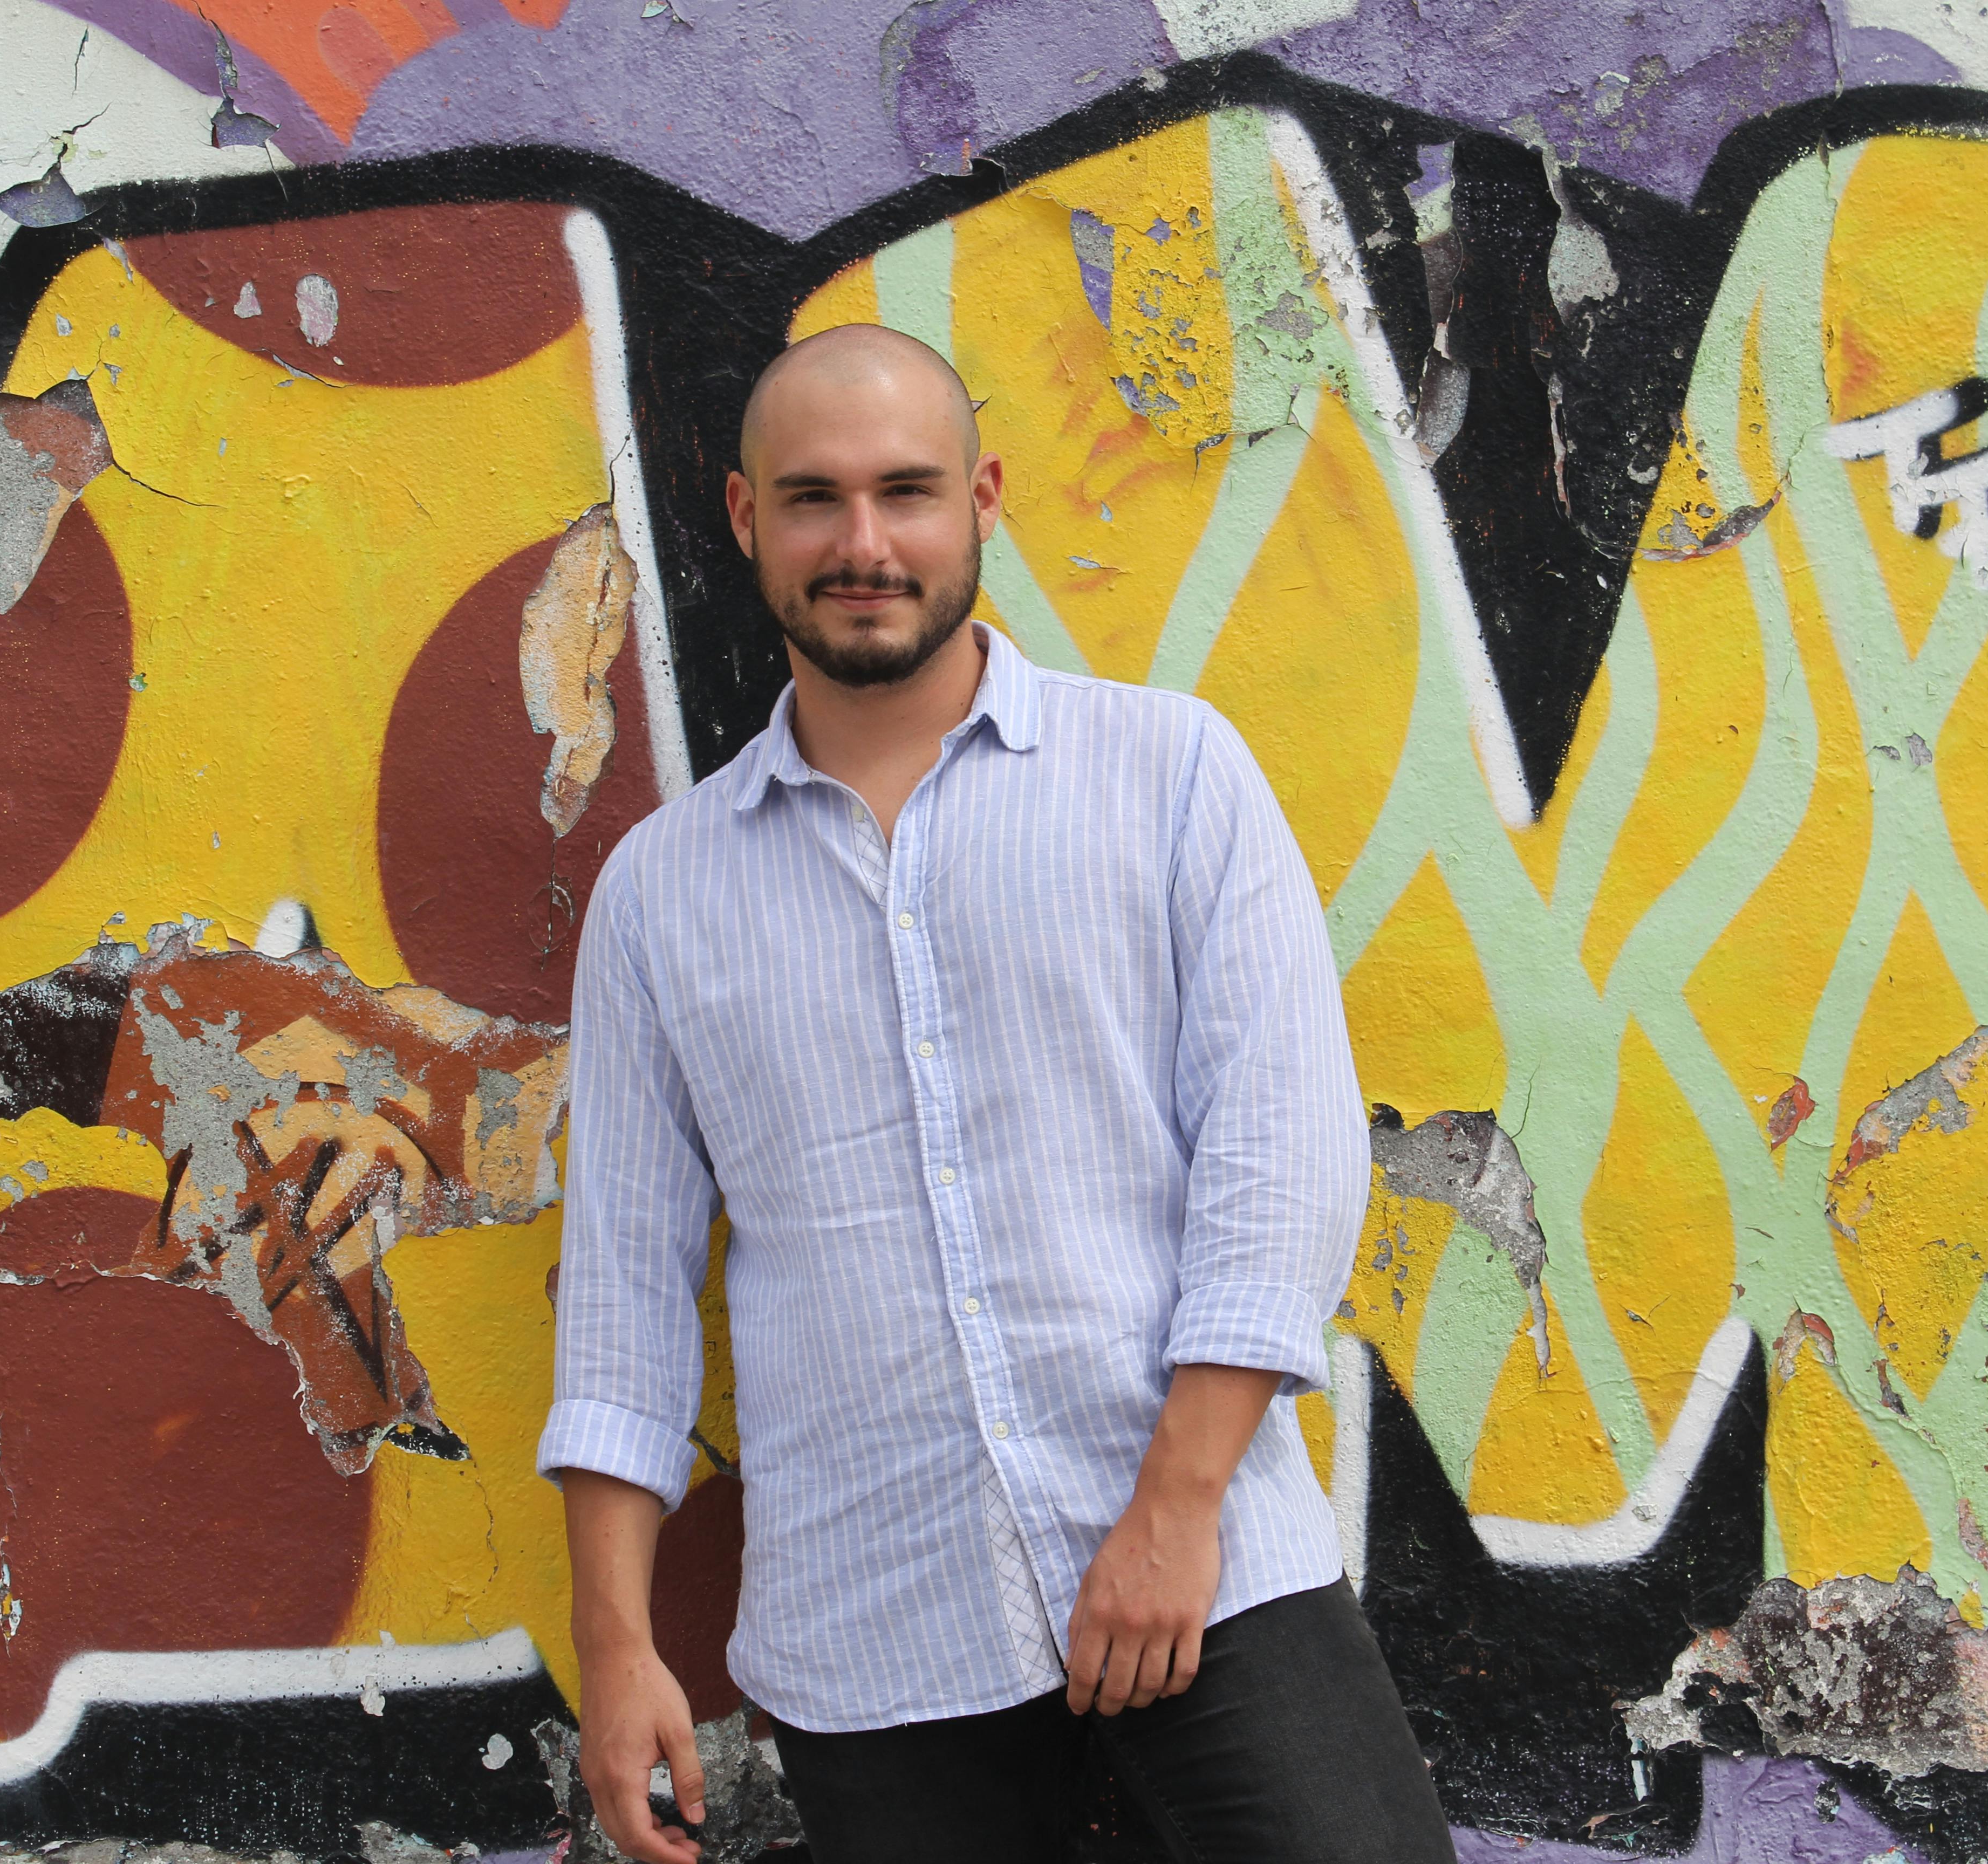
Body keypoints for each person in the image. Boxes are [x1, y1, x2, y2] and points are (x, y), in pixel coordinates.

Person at [537, 323, 1456, 1864]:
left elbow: (1279, 1157)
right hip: (878, 1642)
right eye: (814, 499)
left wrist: (1176, 1509)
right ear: (746, 519)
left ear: (985, 500)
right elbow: (625, 1294)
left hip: (1209, 1567)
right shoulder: (660, 897)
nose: (866, 542)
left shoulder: (1168, 776)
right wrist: (618, 1649)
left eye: (909, 491)